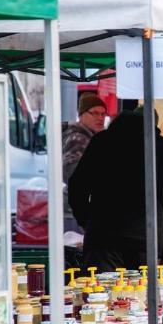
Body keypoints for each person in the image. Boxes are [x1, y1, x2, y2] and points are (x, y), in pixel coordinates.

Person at [68, 109, 163, 271]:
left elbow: (77, 187)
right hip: (146, 242)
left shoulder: (101, 144)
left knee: (101, 287)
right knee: (141, 288)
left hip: (103, 240)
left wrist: (87, 220)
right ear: (153, 126)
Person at [62, 94, 107, 232]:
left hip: (80, 207)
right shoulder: (78, 138)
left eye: (103, 114)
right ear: (81, 115)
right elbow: (71, 172)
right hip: (75, 210)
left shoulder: (92, 137)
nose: (100, 118)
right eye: (95, 113)